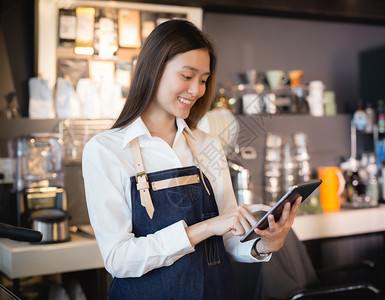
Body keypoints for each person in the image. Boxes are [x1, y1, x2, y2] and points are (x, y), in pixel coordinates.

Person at [82, 19, 302, 300]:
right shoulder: (105, 150)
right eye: (187, 76)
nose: (197, 90)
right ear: (153, 70)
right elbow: (119, 259)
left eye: (203, 80)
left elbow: (228, 238)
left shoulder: (206, 145)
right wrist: (206, 227)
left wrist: (264, 245)